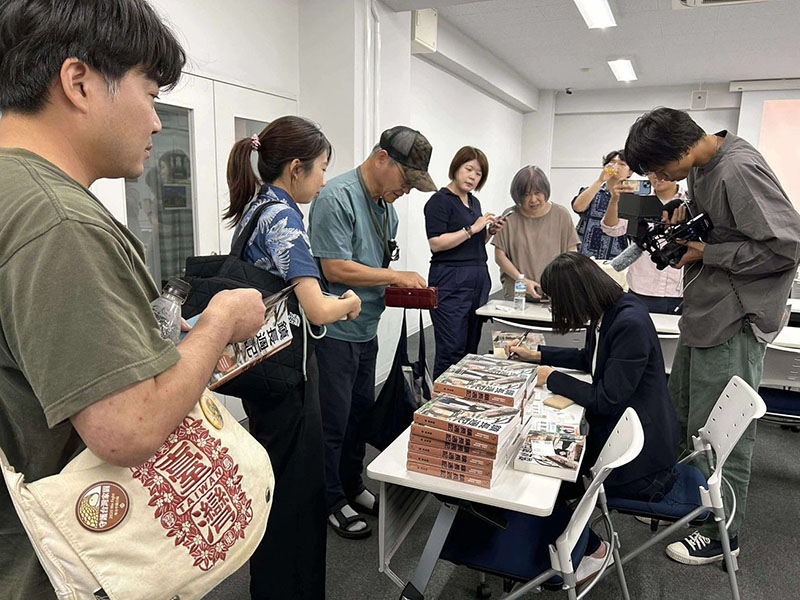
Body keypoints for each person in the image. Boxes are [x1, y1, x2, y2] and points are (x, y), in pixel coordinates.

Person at [0, 2, 267, 598]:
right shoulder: (58, 221)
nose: (156, 122)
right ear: (79, 82)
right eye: (150, 94)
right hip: (71, 564)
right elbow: (127, 427)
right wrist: (219, 322)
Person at [624, 107, 800, 565]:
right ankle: (690, 506)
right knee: (686, 419)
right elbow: (728, 226)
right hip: (705, 313)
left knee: (723, 434)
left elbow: (786, 247)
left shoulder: (737, 169)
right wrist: (688, 218)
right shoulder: (703, 167)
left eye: (661, 168)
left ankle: (723, 534)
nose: (661, 178)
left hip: (733, 319)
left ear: (683, 147)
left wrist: (709, 251)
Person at [224, 116, 362, 600]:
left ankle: (272, 585)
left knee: (274, 482)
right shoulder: (284, 217)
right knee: (296, 492)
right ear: (297, 168)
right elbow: (318, 308)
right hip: (288, 375)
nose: (324, 180)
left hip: (262, 373)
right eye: (321, 168)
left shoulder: (255, 206)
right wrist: (348, 302)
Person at [506, 251, 680, 581]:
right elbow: (590, 358)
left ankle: (594, 549)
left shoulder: (629, 323)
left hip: (638, 457)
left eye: (558, 301)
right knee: (539, 464)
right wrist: (537, 354)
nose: (557, 309)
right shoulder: (608, 311)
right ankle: (554, 538)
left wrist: (551, 377)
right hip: (617, 432)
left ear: (576, 295)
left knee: (547, 474)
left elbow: (606, 400)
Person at [308, 126, 434, 539]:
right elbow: (335, 267)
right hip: (334, 333)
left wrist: (403, 289)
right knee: (332, 422)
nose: (407, 191)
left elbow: (375, 267)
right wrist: (395, 275)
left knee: (358, 415)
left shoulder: (386, 208)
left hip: (366, 329)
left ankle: (352, 484)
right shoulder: (336, 198)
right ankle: (330, 499)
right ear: (382, 159)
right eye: (406, 180)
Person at [424, 146, 507, 378]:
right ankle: (441, 396)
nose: (472, 177)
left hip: (477, 278)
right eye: (469, 169)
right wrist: (473, 228)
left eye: (478, 173)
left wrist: (489, 231)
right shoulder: (439, 201)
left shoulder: (474, 202)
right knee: (451, 348)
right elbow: (436, 243)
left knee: (470, 348)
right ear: (456, 167)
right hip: (451, 279)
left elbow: (473, 242)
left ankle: (461, 394)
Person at [601, 173, 688, 314]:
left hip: (682, 292)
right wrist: (615, 200)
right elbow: (611, 228)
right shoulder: (638, 203)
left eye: (663, 169)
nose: (658, 175)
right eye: (653, 170)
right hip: (642, 290)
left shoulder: (690, 201)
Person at [493, 165, 579, 300]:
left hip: (553, 291)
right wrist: (522, 280)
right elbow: (500, 256)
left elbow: (572, 252)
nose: (533, 199)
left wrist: (561, 282)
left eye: (537, 192)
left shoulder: (561, 215)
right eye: (526, 194)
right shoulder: (510, 216)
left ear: (545, 190)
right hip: (518, 293)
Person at [572, 150, 632, 259]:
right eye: (612, 162)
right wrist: (600, 180)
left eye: (622, 164)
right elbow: (578, 207)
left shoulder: (631, 199)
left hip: (616, 256)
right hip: (585, 255)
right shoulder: (593, 190)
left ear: (630, 172)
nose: (615, 166)